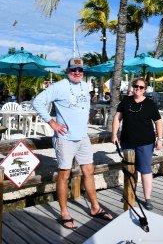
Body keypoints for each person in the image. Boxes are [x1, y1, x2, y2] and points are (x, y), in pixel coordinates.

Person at [33, 57, 113, 230]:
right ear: (67, 71)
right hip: (65, 138)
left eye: (80, 70)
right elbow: (37, 102)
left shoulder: (85, 86)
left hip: (83, 137)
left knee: (89, 171)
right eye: (73, 70)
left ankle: (95, 207)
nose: (77, 73)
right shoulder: (58, 86)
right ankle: (64, 213)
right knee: (65, 175)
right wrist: (51, 122)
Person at [111, 78, 163, 211]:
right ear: (132, 87)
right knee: (130, 170)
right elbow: (117, 117)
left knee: (145, 170)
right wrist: (114, 134)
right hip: (127, 141)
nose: (138, 89)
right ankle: (129, 193)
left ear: (145, 89)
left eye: (141, 87)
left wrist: (160, 138)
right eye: (136, 86)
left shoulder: (150, 103)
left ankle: (147, 199)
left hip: (145, 142)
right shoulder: (126, 101)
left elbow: (158, 122)